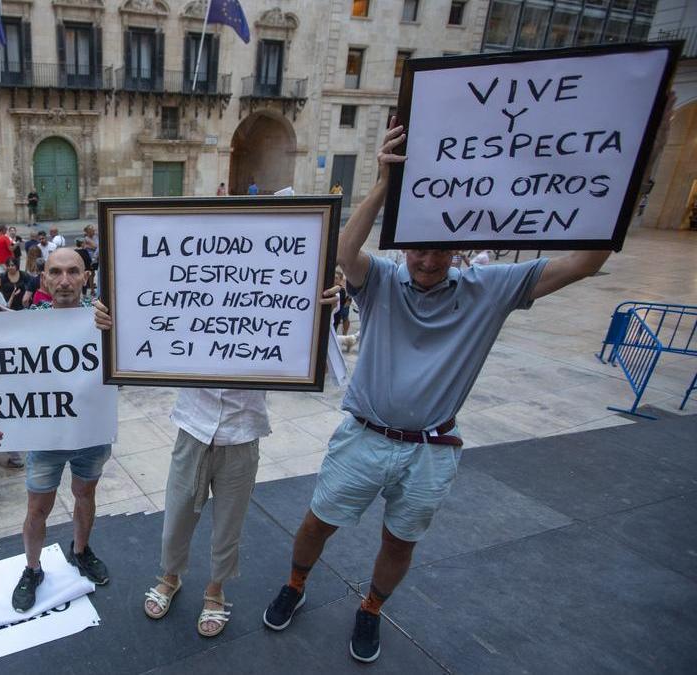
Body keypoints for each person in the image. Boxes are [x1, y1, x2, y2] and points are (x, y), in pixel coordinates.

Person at [262, 114, 671, 663]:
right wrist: (385, 181)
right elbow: (342, 252)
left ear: (461, 248)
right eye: (417, 248)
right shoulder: (382, 279)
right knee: (319, 520)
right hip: (363, 436)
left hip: (430, 449)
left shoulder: (493, 287)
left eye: (441, 249)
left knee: (399, 541)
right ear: (403, 246)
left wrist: (633, 170)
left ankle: (371, 609)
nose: (428, 259)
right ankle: (295, 583)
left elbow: (587, 261)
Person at [92, 286, 338, 637]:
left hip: (242, 432)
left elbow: (318, 364)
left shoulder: (271, 292)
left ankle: (215, 590)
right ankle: (170, 577)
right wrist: (112, 319)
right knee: (177, 514)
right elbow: (144, 320)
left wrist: (322, 315)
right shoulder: (188, 286)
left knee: (229, 525)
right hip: (193, 425)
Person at [12, 248, 111, 612]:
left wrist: (114, 333)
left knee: (85, 492)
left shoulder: (105, 318)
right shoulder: (27, 322)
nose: (65, 280)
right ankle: (32, 568)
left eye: (73, 272)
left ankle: (81, 551)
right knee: (38, 506)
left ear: (87, 277)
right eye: (56, 272)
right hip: (46, 436)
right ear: (44, 280)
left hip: (91, 433)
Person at [333, 269, 352, 335]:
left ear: (340, 280)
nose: (334, 280)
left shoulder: (342, 289)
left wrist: (348, 301)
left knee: (345, 318)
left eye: (336, 278)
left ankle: (345, 334)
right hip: (338, 308)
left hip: (343, 304)